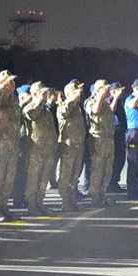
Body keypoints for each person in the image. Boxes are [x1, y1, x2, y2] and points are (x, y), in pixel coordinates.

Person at [0, 70, 21, 221]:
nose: (13, 85)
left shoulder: (14, 99)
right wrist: (2, 88)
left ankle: (4, 207)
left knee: (9, 178)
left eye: (13, 82)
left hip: (12, 144)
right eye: (9, 82)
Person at [23, 82, 58, 215]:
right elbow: (32, 115)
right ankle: (32, 206)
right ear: (35, 93)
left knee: (44, 178)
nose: (45, 95)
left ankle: (40, 203)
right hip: (35, 149)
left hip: (48, 149)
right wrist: (39, 100)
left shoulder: (46, 109)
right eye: (42, 93)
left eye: (45, 93)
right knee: (34, 178)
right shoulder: (29, 107)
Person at [85, 80, 121, 207]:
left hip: (108, 139)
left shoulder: (105, 103)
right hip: (98, 139)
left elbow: (111, 110)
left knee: (107, 170)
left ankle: (102, 195)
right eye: (105, 88)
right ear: (99, 89)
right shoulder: (91, 101)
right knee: (98, 169)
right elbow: (95, 111)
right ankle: (95, 198)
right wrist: (100, 95)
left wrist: (115, 98)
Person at [56, 80, 85, 212]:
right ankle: (66, 202)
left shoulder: (77, 107)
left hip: (78, 145)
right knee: (65, 176)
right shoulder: (64, 105)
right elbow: (64, 112)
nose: (80, 93)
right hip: (68, 146)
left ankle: (72, 200)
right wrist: (71, 99)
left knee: (74, 175)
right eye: (76, 91)